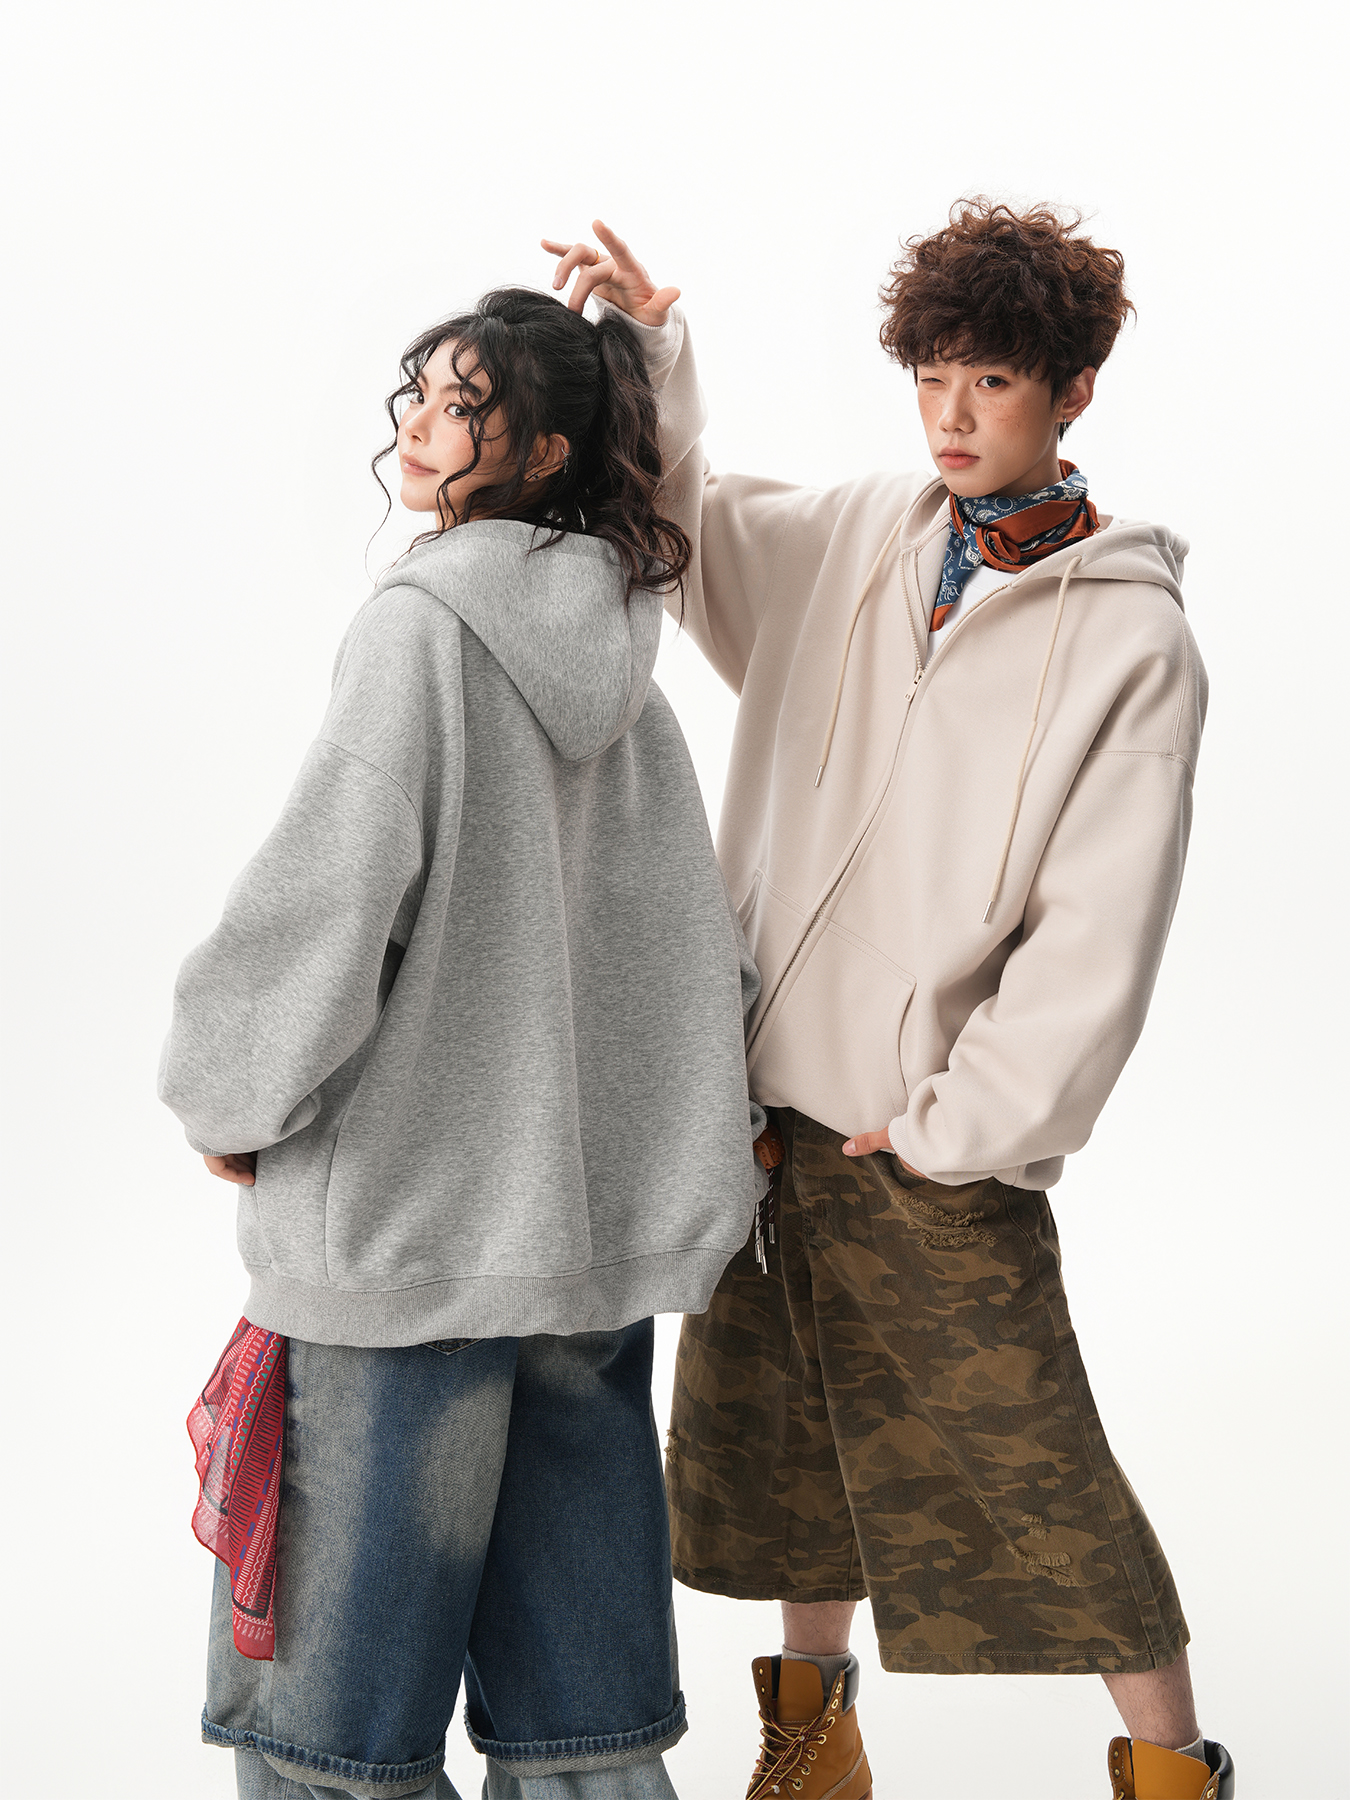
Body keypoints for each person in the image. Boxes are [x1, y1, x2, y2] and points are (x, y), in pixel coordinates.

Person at [542, 206, 1235, 1800]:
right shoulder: (863, 532)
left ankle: (1173, 1774)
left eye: (988, 380)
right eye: (929, 377)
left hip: (925, 1142)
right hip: (762, 1117)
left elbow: (1098, 932)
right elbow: (685, 522)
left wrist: (957, 1129)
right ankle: (814, 1748)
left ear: (1070, 390)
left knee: (1036, 1473)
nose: (949, 416)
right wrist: (648, 349)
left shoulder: (1131, 639)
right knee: (792, 1448)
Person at [159, 285, 769, 1800]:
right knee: (588, 1734)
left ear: (545, 448)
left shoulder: (420, 631)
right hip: (579, 1258)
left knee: (330, 1742)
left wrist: (230, 1089)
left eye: (464, 405)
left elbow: (328, 895)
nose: (422, 427)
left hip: (404, 1253)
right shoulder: (628, 669)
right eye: (421, 396)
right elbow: (683, 939)